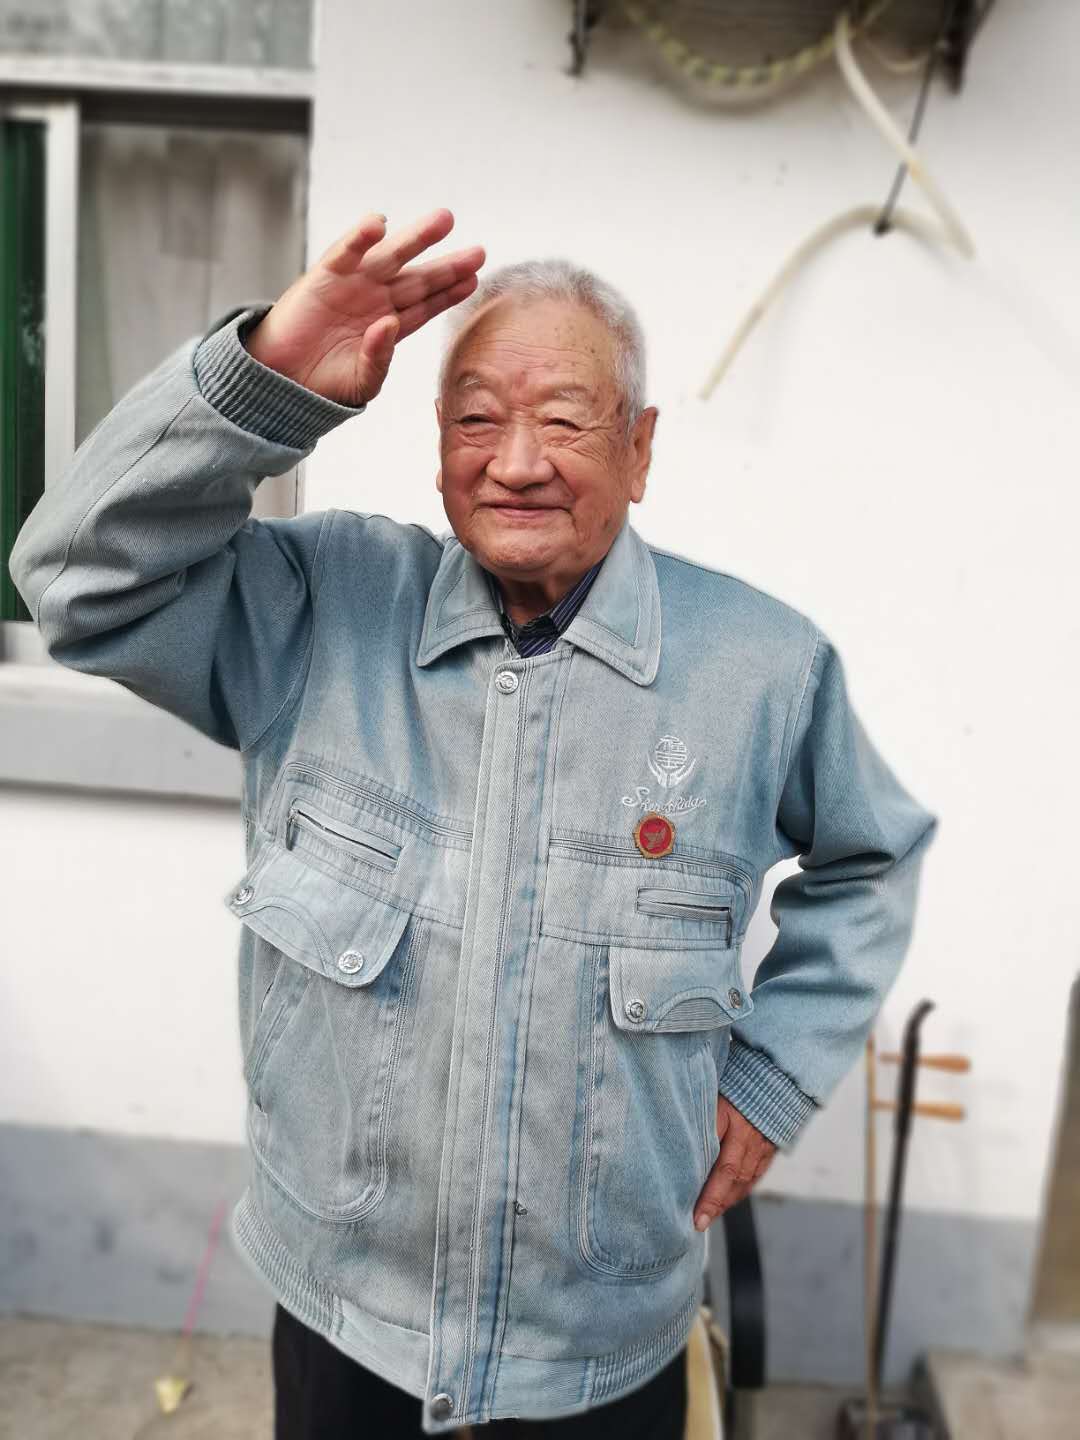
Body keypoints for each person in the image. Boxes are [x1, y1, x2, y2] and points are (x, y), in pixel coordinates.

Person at [9, 208, 937, 1438]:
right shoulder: (321, 608)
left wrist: (771, 1079)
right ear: (438, 445)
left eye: (566, 420)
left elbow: (873, 859)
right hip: (345, 1322)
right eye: (477, 420)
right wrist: (265, 382)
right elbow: (76, 579)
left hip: (601, 1350)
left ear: (641, 449)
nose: (517, 462)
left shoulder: (760, 670)